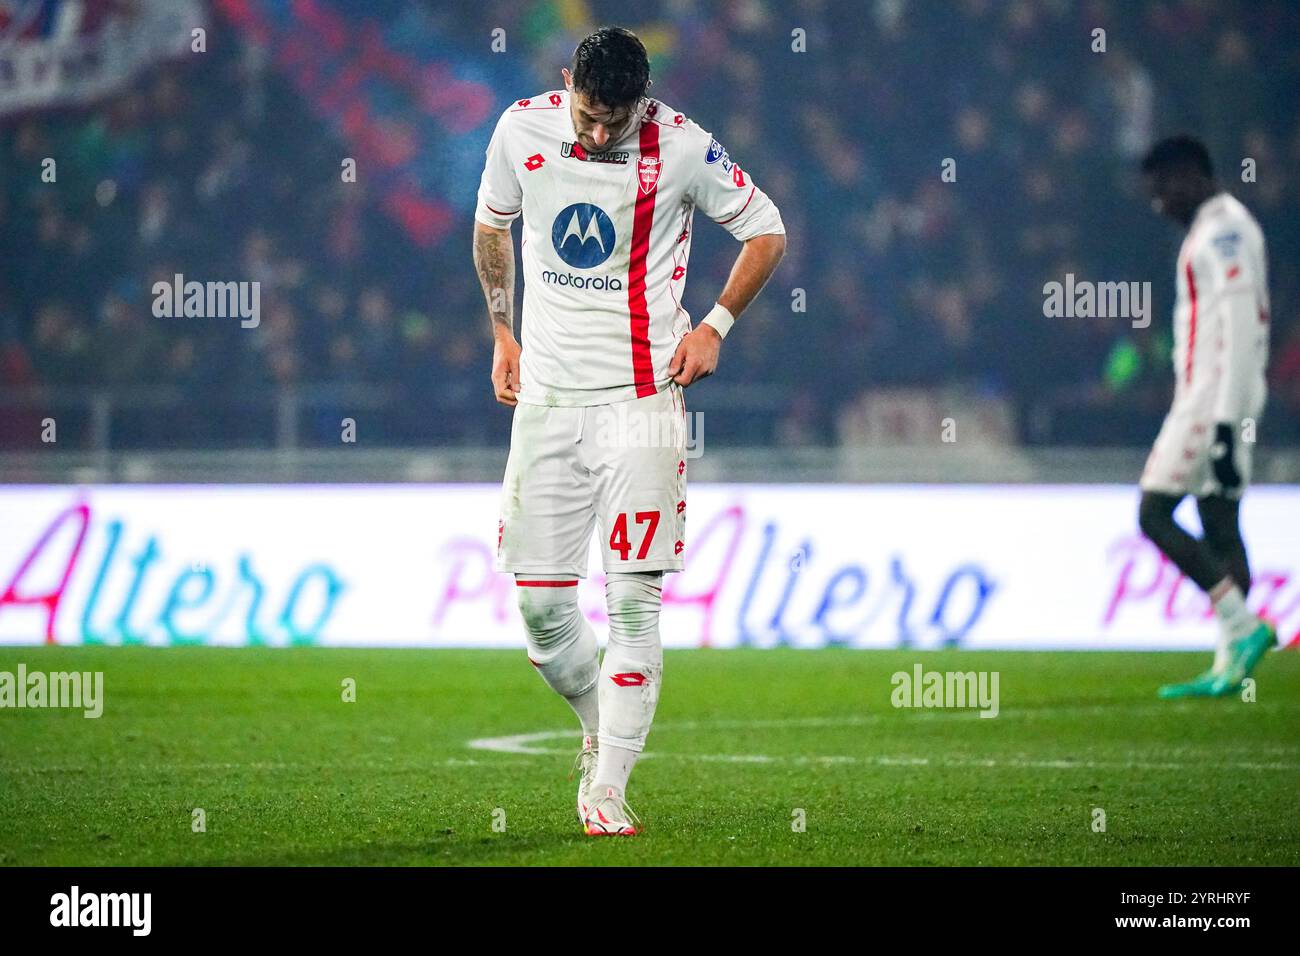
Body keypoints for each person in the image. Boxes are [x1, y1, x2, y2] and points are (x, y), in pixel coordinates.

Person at [472, 27, 786, 833]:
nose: (601, 132)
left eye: (618, 118)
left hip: (643, 404)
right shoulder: (519, 129)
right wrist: (503, 332)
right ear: (565, 79)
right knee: (543, 617)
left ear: (643, 103)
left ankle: (608, 786)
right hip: (546, 400)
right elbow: (491, 228)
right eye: (589, 112)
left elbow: (767, 228)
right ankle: (595, 723)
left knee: (635, 605)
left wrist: (714, 324)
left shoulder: (681, 147)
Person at [1136, 135, 1276, 698]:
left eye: (1162, 189)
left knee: (1153, 513)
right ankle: (1230, 666)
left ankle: (1243, 629)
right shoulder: (1220, 227)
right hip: (1225, 399)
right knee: (1219, 523)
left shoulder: (1223, 231)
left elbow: (1241, 328)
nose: (1159, 203)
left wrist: (1223, 421)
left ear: (1189, 176)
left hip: (1211, 402)